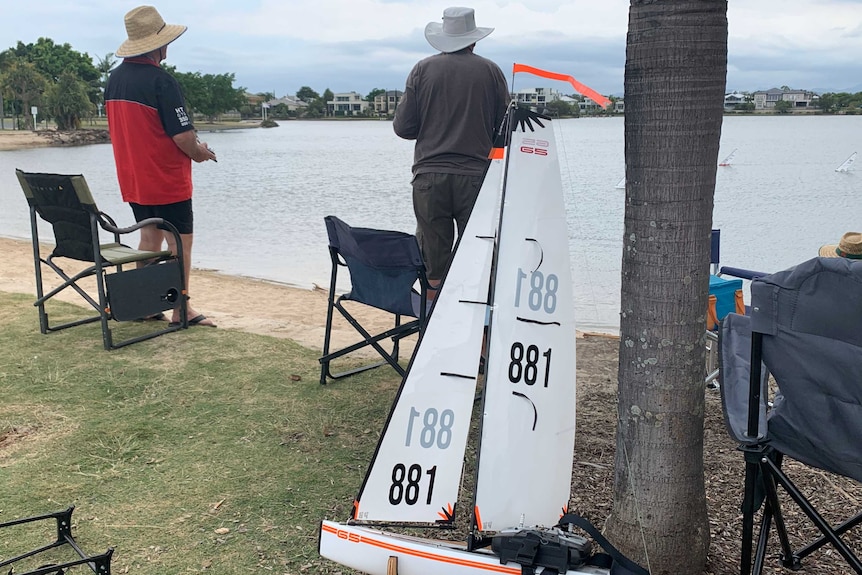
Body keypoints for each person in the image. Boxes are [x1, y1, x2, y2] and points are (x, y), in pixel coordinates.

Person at [105, 5, 217, 327]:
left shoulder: (114, 80)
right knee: (179, 243)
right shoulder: (162, 82)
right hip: (166, 178)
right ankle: (181, 309)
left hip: (134, 177)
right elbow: (182, 136)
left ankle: (145, 304)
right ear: (158, 45)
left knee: (149, 240)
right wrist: (200, 152)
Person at [393, 6, 510, 300]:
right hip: (474, 178)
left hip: (429, 177)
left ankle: (431, 330)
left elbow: (403, 128)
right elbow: (505, 130)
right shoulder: (491, 72)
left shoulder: (422, 70)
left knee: (433, 260)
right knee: (480, 253)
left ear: (443, 39)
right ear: (474, 39)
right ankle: (482, 337)